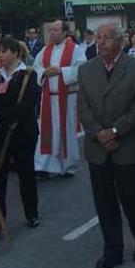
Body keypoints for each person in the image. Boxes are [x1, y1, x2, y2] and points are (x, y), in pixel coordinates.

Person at [77, 22, 135, 268]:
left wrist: (115, 131)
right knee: (105, 203)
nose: (101, 42)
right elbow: (83, 107)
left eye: (106, 38)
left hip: (127, 147)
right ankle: (112, 251)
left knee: (133, 200)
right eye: (98, 38)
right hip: (98, 149)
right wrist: (99, 132)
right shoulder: (87, 70)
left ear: (120, 41)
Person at [0, 37, 40, 228]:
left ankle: (31, 213)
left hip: (23, 133)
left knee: (25, 173)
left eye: (4, 51)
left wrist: (5, 117)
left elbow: (27, 103)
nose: (0, 55)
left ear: (16, 53)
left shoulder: (27, 75)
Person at [33, 19, 86, 178]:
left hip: (67, 99)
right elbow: (36, 67)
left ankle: (68, 166)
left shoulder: (75, 49)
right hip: (49, 98)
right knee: (47, 132)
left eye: (56, 30)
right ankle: (45, 166)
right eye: (51, 30)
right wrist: (44, 72)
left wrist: (61, 71)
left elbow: (82, 69)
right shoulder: (45, 50)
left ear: (64, 32)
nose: (52, 33)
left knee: (66, 132)